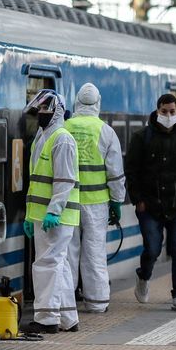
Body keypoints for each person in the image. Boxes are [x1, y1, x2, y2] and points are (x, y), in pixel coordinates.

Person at [125, 94, 176, 312]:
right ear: (157, 111)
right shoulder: (142, 137)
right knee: (153, 248)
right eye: (164, 111)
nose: (168, 115)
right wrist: (137, 199)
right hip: (149, 205)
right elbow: (131, 170)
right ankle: (144, 275)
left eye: (172, 112)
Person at [22, 89, 80, 333]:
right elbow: (36, 181)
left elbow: (65, 180)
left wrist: (54, 211)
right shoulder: (42, 137)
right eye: (39, 110)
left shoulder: (62, 138)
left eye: (46, 109)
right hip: (42, 215)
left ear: (57, 110)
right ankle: (68, 318)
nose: (41, 114)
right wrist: (29, 216)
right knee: (60, 264)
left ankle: (47, 319)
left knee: (46, 264)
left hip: (56, 217)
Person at [65, 83, 126, 313]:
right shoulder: (106, 131)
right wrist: (117, 201)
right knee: (94, 253)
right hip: (97, 204)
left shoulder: (65, 127)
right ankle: (97, 302)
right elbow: (115, 172)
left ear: (76, 102)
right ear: (98, 103)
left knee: (68, 253)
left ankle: (66, 303)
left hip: (67, 203)